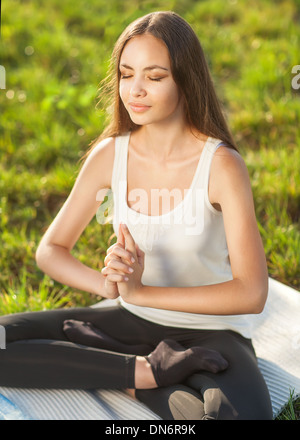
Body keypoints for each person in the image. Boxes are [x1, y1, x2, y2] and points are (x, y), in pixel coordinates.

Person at [0, 11, 273, 420]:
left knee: (233, 417)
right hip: (130, 322)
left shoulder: (221, 165)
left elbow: (252, 293)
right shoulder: (111, 155)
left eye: (155, 77)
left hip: (214, 333)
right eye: (127, 75)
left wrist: (142, 292)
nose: (136, 91)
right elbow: (50, 249)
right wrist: (109, 287)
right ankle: (142, 372)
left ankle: (142, 373)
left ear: (186, 79)